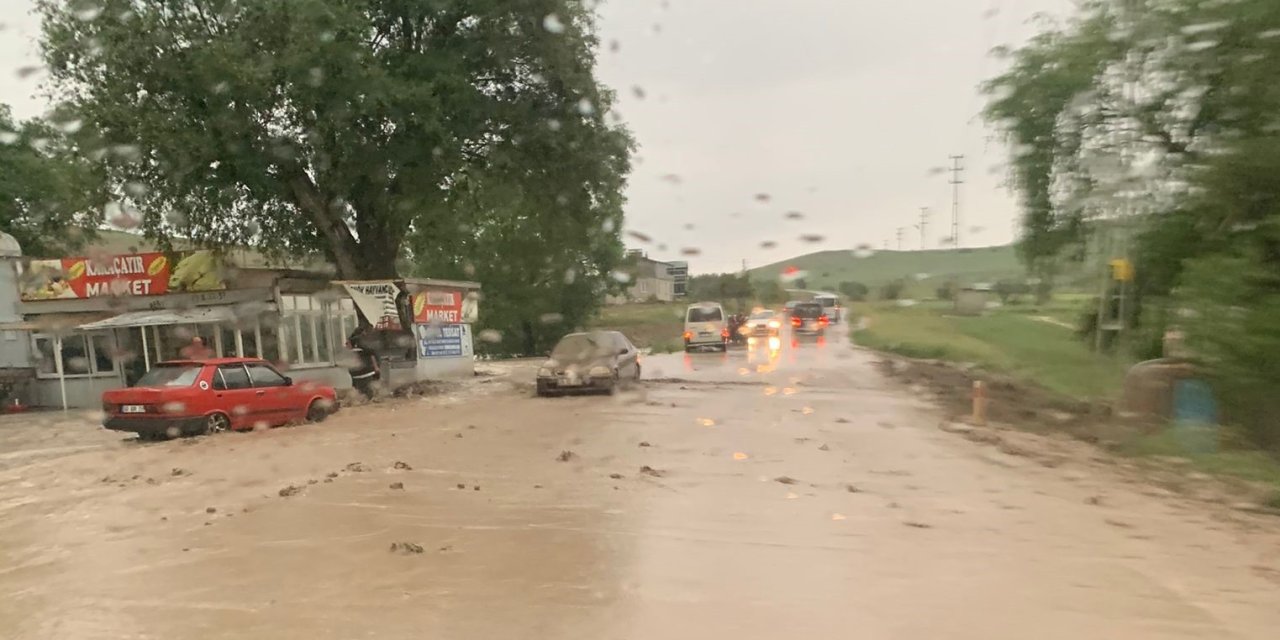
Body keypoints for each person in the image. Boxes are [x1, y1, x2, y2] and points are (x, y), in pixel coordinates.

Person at [347, 332, 381, 399]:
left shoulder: (362, 350)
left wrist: (376, 367)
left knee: (365, 390)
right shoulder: (358, 351)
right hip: (361, 375)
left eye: (347, 343)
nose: (346, 345)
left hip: (364, 374)